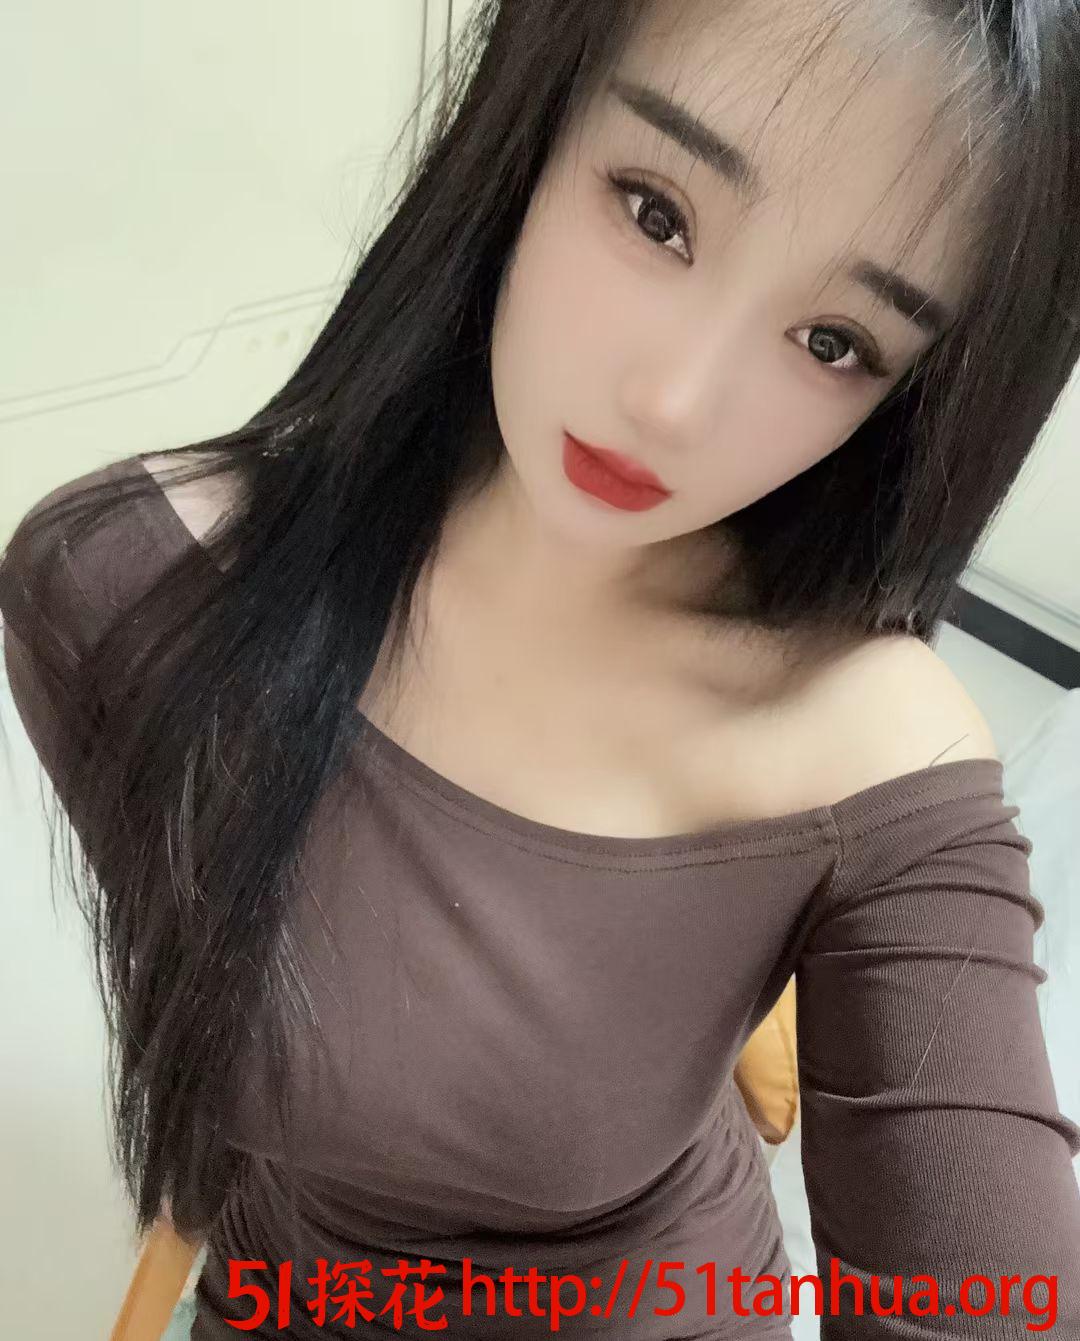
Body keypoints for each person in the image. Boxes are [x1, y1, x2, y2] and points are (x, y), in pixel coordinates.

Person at [3, 0, 1080, 1336]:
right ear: (531, 126)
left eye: (833, 343)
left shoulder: (864, 739)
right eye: (654, 212)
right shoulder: (118, 594)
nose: (674, 401)